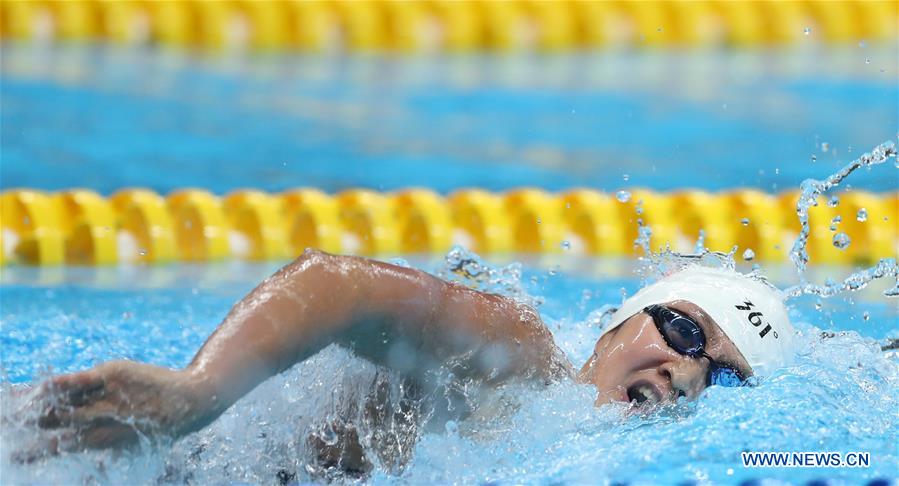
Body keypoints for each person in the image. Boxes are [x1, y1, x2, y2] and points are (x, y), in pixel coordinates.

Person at [22, 249, 795, 471]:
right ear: (617, 323)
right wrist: (198, 393)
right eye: (684, 333)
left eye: (722, 373)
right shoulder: (518, 361)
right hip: (142, 453)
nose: (687, 372)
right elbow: (340, 284)